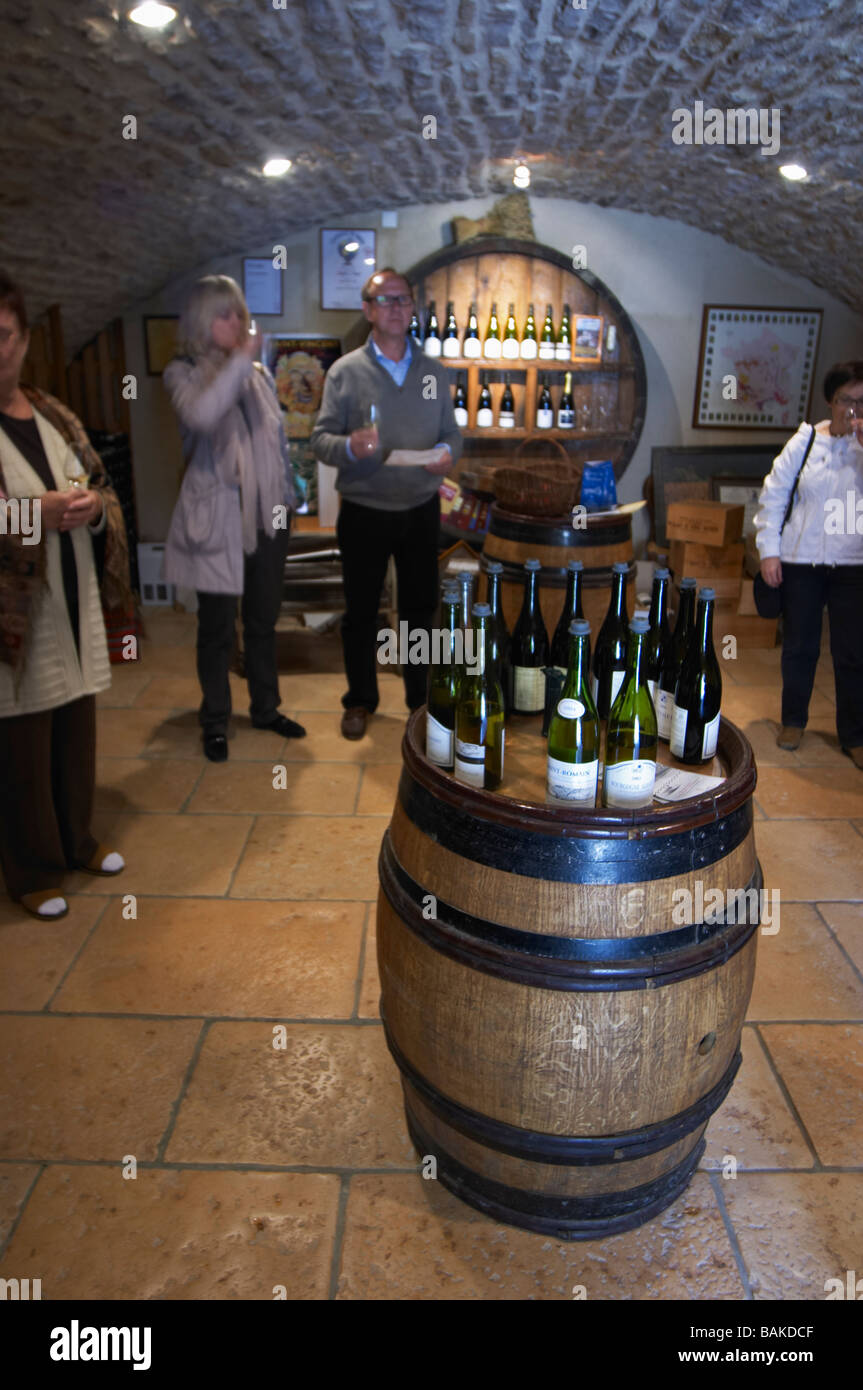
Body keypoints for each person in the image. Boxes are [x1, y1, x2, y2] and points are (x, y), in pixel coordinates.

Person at [0, 272, 131, 921]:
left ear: (22, 340)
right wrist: (34, 514)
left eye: (1, 336)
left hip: (72, 594)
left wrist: (92, 508)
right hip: (14, 615)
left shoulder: (52, 413)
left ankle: (76, 839)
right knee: (23, 739)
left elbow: (100, 487)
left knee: (75, 725)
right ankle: (30, 868)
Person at [311, 267, 462, 739]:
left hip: (420, 508)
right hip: (364, 508)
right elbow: (319, 440)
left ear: (412, 308)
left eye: (403, 300)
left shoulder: (434, 373)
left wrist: (448, 455)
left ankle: (420, 701)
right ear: (368, 310)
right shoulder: (346, 372)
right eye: (385, 300)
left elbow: (452, 434)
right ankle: (360, 700)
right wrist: (349, 448)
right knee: (361, 611)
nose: (396, 308)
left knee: (421, 608)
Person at [163, 275, 306, 761]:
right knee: (217, 628)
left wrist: (290, 498)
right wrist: (243, 358)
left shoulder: (258, 376)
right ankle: (215, 720)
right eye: (224, 314)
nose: (236, 322)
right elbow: (203, 415)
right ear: (202, 321)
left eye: (239, 313)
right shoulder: (182, 373)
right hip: (218, 517)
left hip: (269, 517)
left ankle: (265, 708)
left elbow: (276, 443)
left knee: (263, 619)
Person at [755, 360, 863, 765]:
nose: (853, 409)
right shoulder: (803, 442)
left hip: (853, 565)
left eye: (862, 401)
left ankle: (854, 734)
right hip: (801, 562)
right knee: (799, 647)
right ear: (830, 401)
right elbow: (774, 495)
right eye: (845, 400)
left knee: (853, 653)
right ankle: (793, 720)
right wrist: (769, 551)